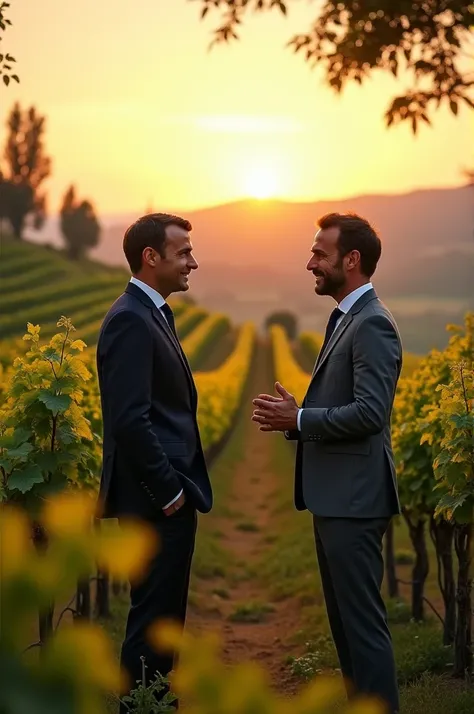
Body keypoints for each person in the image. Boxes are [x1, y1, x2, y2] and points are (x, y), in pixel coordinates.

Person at [252, 212, 401, 713]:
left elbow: (370, 413)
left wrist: (300, 419)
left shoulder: (373, 323)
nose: (310, 262)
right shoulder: (350, 319)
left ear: (351, 259)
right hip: (338, 498)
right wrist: (300, 413)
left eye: (320, 253)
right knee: (345, 629)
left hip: (355, 501)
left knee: (362, 629)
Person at [95, 213, 213, 711]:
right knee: (153, 624)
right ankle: (142, 707)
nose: (193, 261)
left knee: (163, 621)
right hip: (154, 501)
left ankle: (152, 705)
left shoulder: (151, 313)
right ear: (152, 257)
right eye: (183, 251)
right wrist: (169, 493)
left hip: (159, 498)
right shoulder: (130, 318)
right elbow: (129, 420)